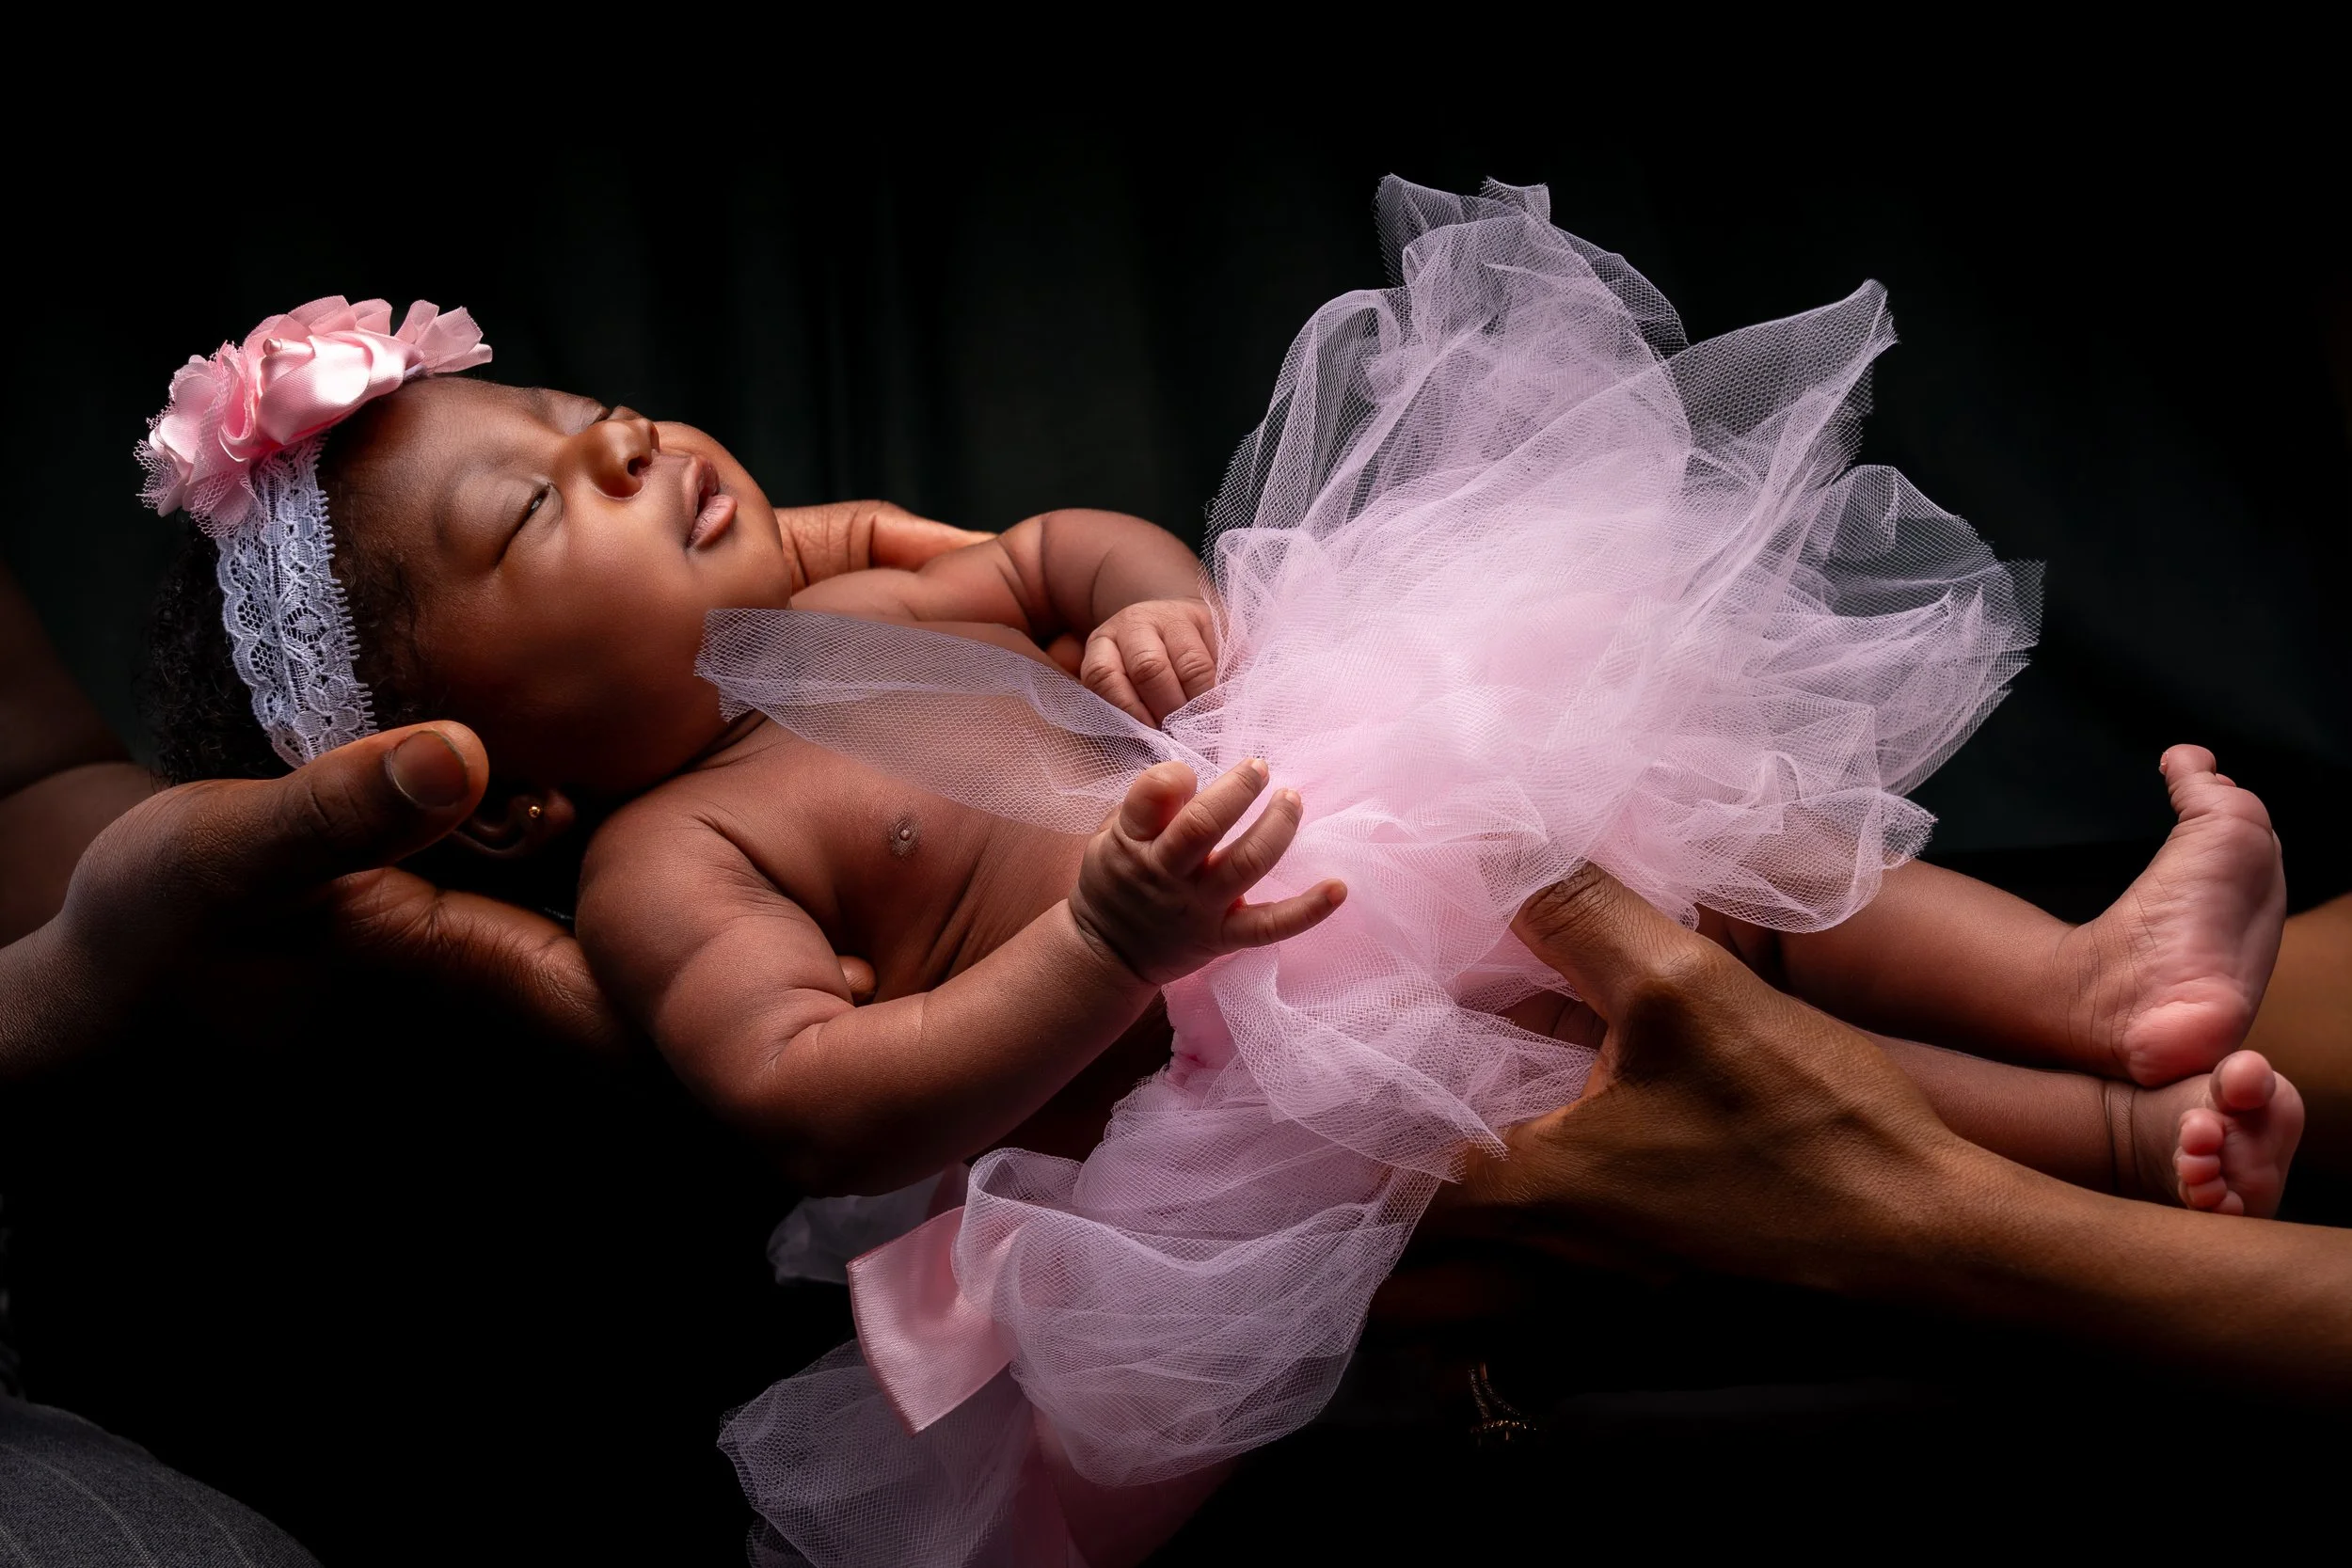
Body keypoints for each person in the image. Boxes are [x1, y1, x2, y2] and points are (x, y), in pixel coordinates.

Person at [128, 182, 2301, 1567]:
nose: (620, 448)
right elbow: (815, 1092)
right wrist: (1096, 939)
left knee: (1698, 805)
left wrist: (1154, 602)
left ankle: (2087, 984)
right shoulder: (673, 859)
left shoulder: (833, 563)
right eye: (531, 518)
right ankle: (2109, 1135)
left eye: (585, 413)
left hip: (1348, 775)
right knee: (1621, 1105)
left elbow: (1062, 553)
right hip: (1252, 1058)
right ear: (486, 784)